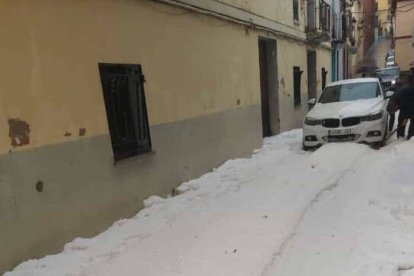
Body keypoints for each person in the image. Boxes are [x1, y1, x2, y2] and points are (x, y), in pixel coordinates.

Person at [397, 73, 414, 140]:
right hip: (412, 110)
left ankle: (400, 136)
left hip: (404, 110)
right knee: (413, 125)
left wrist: (400, 107)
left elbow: (398, 99)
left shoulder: (404, 90)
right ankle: (410, 136)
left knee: (401, 123)